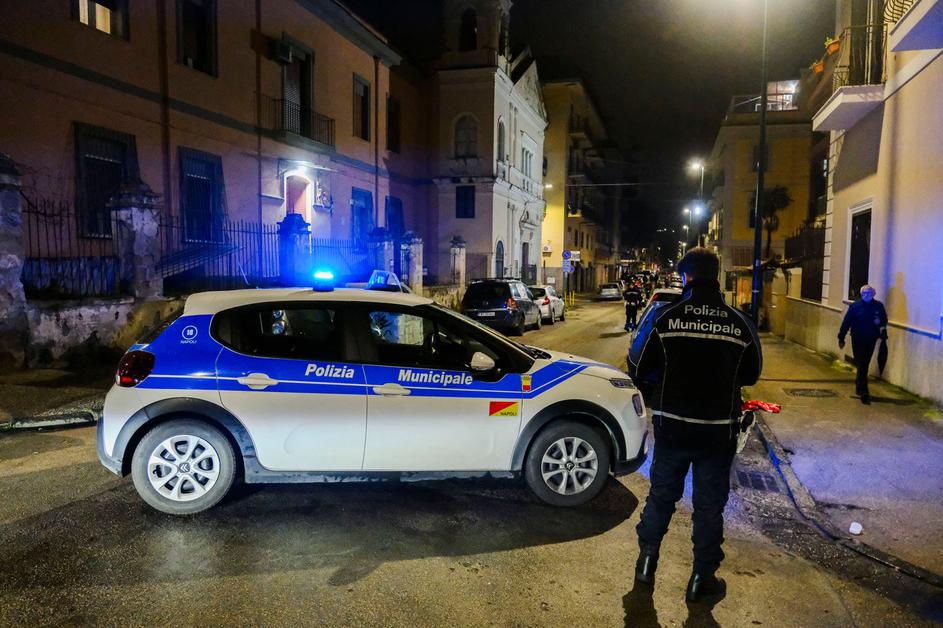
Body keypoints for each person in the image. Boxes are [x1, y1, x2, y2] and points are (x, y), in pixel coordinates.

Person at [628, 247, 762, 603]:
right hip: (718, 431)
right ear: (716, 276)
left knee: (661, 497)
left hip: (673, 427)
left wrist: (666, 379)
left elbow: (638, 365)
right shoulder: (739, 322)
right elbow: (752, 373)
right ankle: (702, 577)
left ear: (685, 277)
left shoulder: (666, 318)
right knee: (708, 506)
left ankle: (646, 564)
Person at [838, 284, 888, 405]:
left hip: (871, 339)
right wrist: (841, 337)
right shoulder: (855, 306)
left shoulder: (878, 306)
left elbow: (884, 320)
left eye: (869, 293)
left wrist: (880, 325)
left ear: (873, 294)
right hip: (858, 339)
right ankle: (862, 389)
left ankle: (862, 390)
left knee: (864, 364)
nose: (867, 295)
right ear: (861, 294)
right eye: (865, 293)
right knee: (861, 363)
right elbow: (847, 322)